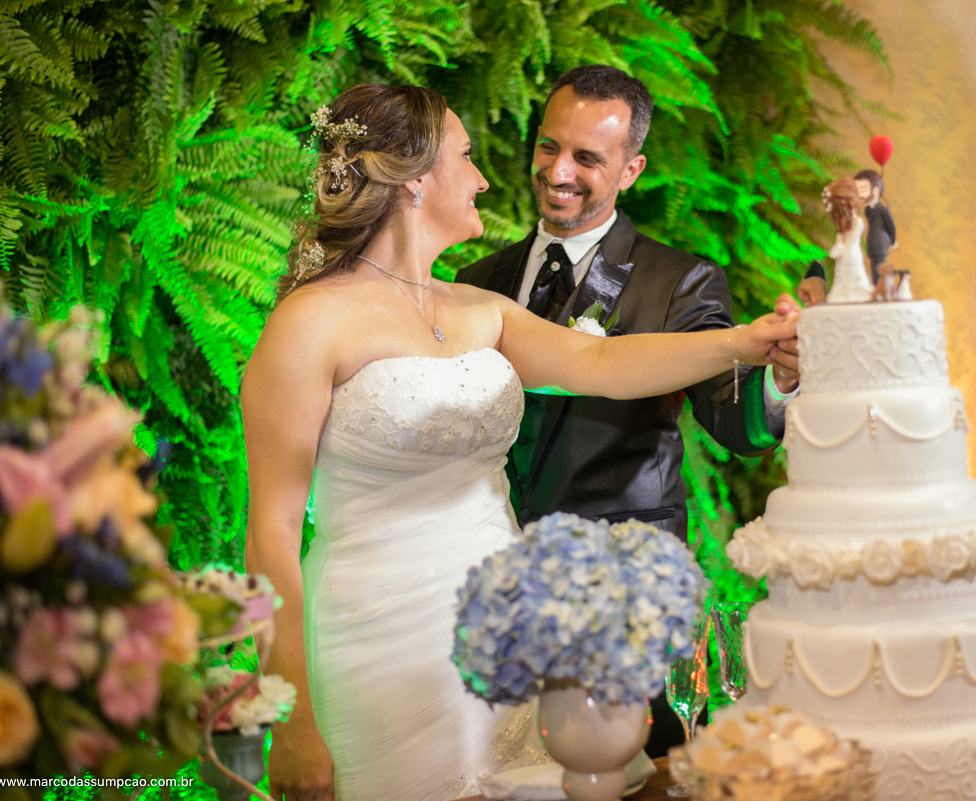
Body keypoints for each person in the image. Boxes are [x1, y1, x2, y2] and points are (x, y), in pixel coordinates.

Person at [241, 83, 798, 801]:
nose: (483, 177)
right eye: (467, 158)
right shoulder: (310, 324)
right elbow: (272, 530)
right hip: (376, 641)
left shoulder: (478, 308)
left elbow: (600, 363)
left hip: (505, 639)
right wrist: (290, 717)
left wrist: (747, 342)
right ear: (413, 181)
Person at [455, 65, 803, 755]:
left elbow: (737, 423)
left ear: (631, 168)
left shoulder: (681, 280)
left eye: (587, 158)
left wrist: (780, 381)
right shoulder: (475, 282)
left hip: (623, 597)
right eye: (549, 147)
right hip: (498, 592)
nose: (559, 171)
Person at [823, 177, 871, 303]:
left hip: (851, 254)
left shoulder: (858, 222)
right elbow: (839, 237)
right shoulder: (844, 224)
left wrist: (841, 250)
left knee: (855, 275)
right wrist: (837, 246)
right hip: (843, 256)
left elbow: (850, 241)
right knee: (841, 278)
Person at [853, 168, 896, 284]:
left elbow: (891, 225)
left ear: (876, 191)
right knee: (873, 266)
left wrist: (893, 240)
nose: (860, 195)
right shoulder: (867, 210)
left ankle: (883, 286)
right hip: (872, 243)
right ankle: (876, 286)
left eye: (863, 189)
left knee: (881, 267)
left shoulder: (882, 209)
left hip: (882, 243)